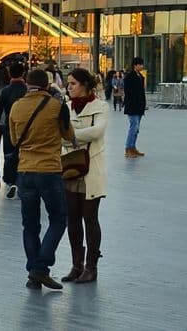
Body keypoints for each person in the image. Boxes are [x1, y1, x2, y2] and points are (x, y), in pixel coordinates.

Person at [9, 68, 76, 291]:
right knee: (58, 218)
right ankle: (42, 264)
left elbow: (13, 138)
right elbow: (68, 135)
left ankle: (33, 272)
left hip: (25, 171)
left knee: (30, 225)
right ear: (47, 85)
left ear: (27, 84)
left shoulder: (17, 107)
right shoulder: (56, 106)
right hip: (49, 170)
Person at [61, 68, 108, 284]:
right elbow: (56, 134)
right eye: (68, 83)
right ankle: (76, 265)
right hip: (69, 167)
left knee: (90, 218)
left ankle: (91, 267)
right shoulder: (66, 107)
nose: (69, 87)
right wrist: (75, 137)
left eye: (73, 84)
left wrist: (70, 136)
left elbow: (97, 132)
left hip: (91, 168)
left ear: (85, 85)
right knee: (72, 219)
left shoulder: (100, 106)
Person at [0, 62, 29, 198]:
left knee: (9, 155)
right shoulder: (27, 90)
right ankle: (21, 181)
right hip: (26, 128)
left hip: (9, 127)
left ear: (9, 73)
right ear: (23, 73)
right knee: (24, 154)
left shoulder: (5, 91)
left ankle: (11, 180)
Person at [123, 57, 146, 157]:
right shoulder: (129, 77)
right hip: (132, 106)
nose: (142, 66)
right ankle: (128, 149)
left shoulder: (140, 76)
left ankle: (133, 147)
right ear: (135, 65)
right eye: (140, 64)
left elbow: (142, 92)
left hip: (139, 106)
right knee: (133, 127)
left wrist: (144, 104)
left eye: (142, 64)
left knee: (136, 129)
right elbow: (128, 92)